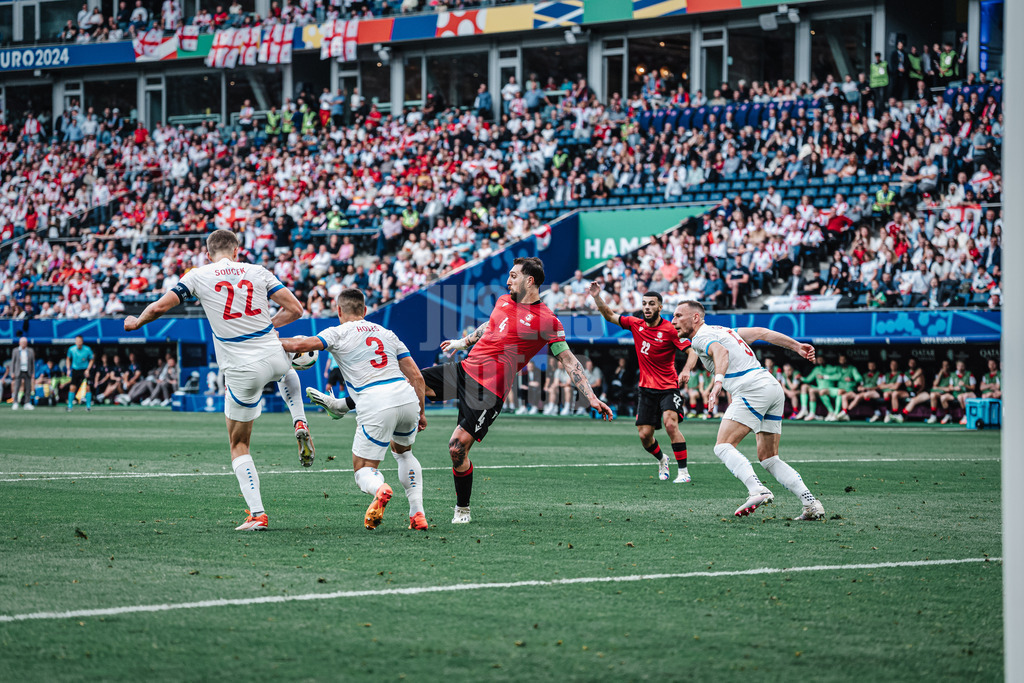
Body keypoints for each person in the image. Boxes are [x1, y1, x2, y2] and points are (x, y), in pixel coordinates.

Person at [123, 229, 311, 531]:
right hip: (273, 354)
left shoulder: (198, 275)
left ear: (208, 254)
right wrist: (267, 327)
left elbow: (159, 307)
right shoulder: (257, 270)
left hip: (242, 369)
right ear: (237, 251)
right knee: (286, 369)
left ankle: (257, 514)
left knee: (239, 444)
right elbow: (296, 309)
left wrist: (136, 321)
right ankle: (299, 419)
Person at [426, 257, 613, 524]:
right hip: (465, 370)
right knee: (412, 381)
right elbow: (488, 326)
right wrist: (461, 342)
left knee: (456, 449)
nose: (508, 280)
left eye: (513, 276)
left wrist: (591, 397)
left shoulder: (547, 321)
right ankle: (349, 406)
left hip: (488, 391)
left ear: (529, 281)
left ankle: (462, 508)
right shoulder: (503, 300)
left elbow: (569, 360)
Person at [281, 289, 429, 531]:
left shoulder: (337, 332)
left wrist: (267, 341)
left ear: (339, 311)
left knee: (364, 471)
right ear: (365, 311)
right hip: (406, 397)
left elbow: (300, 344)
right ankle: (418, 514)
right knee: (404, 453)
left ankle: (380, 489)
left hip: (375, 401)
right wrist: (421, 412)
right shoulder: (387, 333)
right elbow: (416, 377)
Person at [672, 301, 825, 520]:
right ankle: (810, 503)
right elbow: (763, 332)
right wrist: (797, 346)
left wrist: (717, 384)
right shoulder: (725, 330)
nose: (673, 321)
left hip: (751, 388)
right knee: (769, 458)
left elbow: (720, 352)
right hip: (771, 386)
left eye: (678, 316)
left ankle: (757, 490)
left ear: (696, 317)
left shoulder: (700, 338)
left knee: (723, 446)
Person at [590, 283, 693, 483]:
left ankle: (684, 472)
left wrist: (686, 369)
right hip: (646, 389)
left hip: (668, 387)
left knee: (670, 424)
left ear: (660, 307)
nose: (647, 307)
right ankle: (662, 459)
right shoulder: (635, 324)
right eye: (644, 303)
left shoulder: (670, 330)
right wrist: (596, 297)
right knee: (645, 436)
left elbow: (692, 351)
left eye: (651, 304)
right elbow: (610, 316)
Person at [65, 335, 95, 412]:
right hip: (75, 370)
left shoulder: (87, 349)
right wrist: (68, 369)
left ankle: (88, 406)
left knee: (88, 387)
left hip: (84, 370)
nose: (78, 342)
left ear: (82, 342)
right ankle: (70, 406)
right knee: (72, 387)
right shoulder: (71, 349)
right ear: (75, 342)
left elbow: (92, 359)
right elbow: (68, 359)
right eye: (77, 341)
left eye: (80, 341)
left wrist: (88, 369)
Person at [10, 337, 36, 410]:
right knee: (16, 387)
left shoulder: (30, 351)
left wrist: (33, 372)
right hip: (18, 371)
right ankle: (15, 402)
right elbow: (13, 362)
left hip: (28, 371)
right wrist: (12, 372)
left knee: (28, 388)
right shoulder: (15, 351)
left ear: (26, 343)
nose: (23, 344)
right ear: (19, 343)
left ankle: (27, 403)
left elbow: (32, 363)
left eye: (25, 342)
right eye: (22, 342)